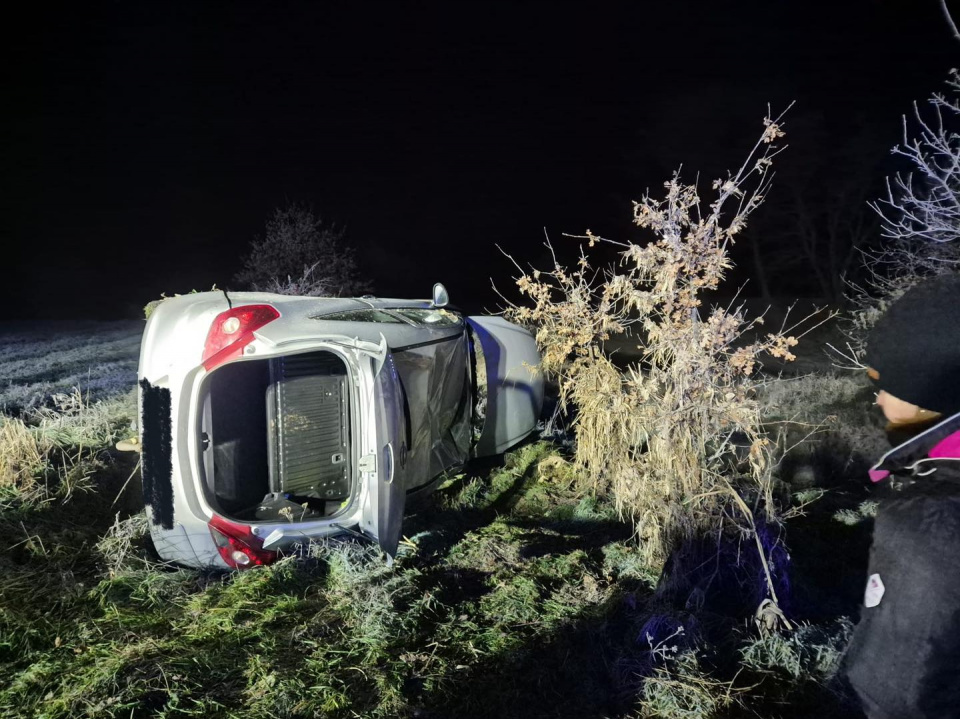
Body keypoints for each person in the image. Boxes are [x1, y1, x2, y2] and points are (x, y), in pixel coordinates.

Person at [843, 275, 960, 719]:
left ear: (929, 387)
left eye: (884, 384)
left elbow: (900, 687)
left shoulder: (933, 516)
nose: (876, 400)